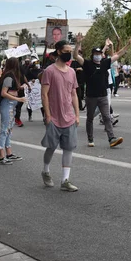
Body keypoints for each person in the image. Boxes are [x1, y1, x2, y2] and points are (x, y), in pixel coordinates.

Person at [73, 35, 131, 148]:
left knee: (107, 117)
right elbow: (75, 56)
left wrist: (128, 45)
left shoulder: (105, 63)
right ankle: (90, 139)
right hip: (91, 96)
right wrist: (77, 44)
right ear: (92, 55)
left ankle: (111, 138)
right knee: (90, 118)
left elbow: (118, 54)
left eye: (99, 54)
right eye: (96, 54)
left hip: (103, 95)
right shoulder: (87, 64)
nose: (98, 56)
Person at [40, 41, 80, 191]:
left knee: (68, 148)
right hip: (54, 118)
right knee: (51, 147)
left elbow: (74, 94)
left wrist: (77, 115)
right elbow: (44, 94)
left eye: (70, 50)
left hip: (69, 117)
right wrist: (48, 115)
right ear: (58, 52)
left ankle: (65, 180)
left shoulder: (72, 72)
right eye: (66, 50)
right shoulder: (49, 71)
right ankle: (46, 171)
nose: (68, 53)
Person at [0, 57, 26, 165]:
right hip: (7, 104)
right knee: (5, 130)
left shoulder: (12, 75)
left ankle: (9, 153)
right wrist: (18, 98)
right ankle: (2, 156)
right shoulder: (8, 76)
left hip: (11, 105)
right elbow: (4, 93)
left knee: (9, 129)